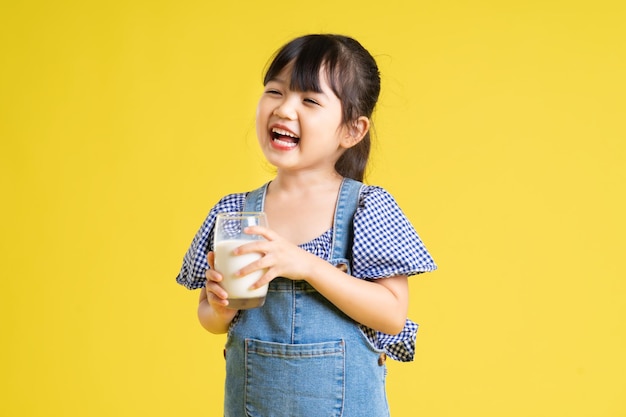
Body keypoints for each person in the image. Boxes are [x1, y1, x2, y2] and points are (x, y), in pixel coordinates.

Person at [176, 34, 437, 417]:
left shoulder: (364, 208)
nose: (284, 109)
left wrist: (306, 265)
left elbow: (392, 315)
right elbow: (211, 320)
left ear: (352, 130)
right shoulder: (235, 212)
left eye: (310, 100)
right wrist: (218, 305)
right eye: (275, 92)